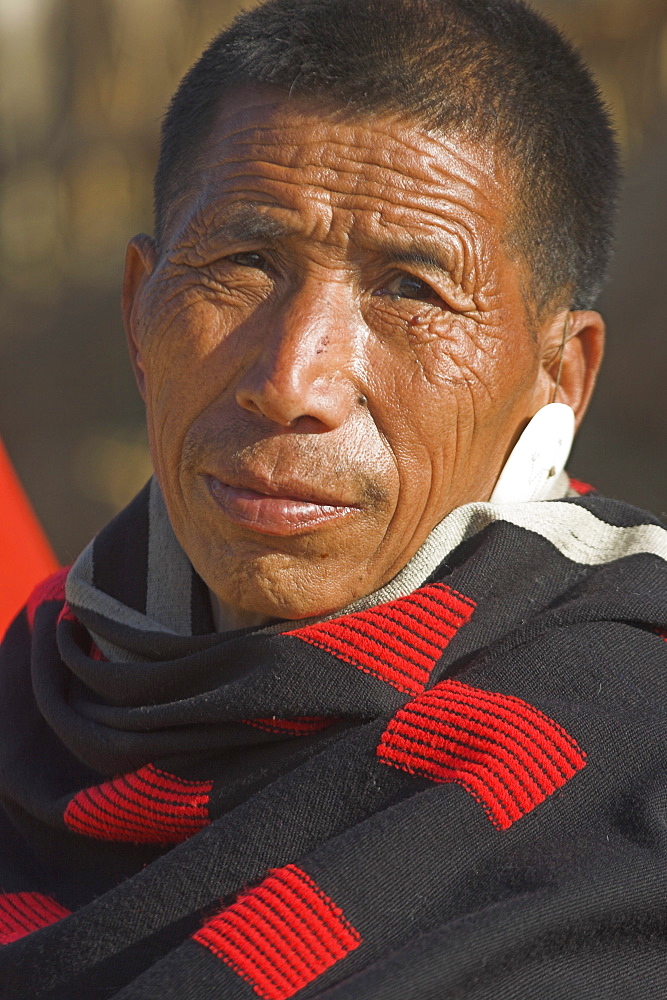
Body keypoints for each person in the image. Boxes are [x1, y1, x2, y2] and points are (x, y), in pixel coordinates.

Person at [1, 0, 666, 996]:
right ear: (140, 312)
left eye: (410, 289)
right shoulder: (39, 688)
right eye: (243, 265)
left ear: (558, 375)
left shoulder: (630, 755)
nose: (294, 380)